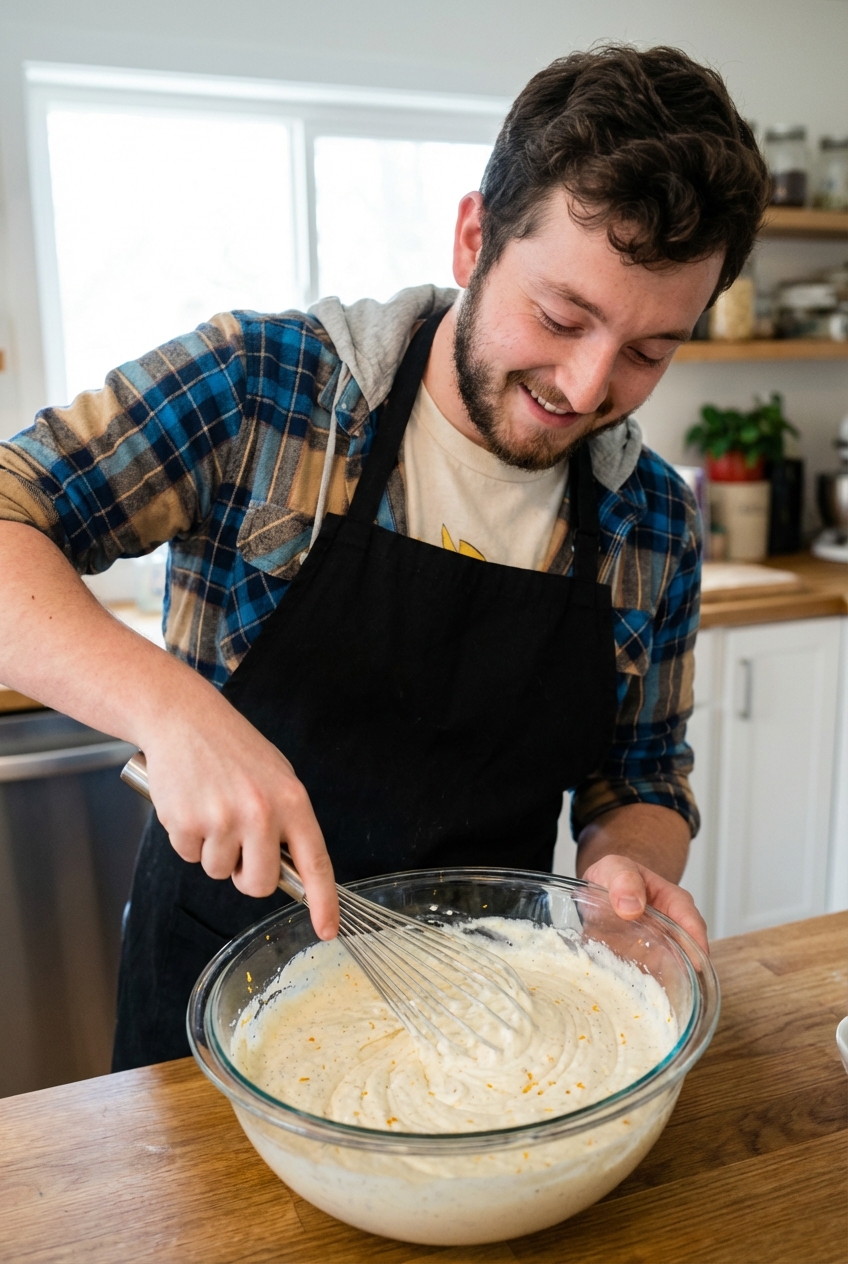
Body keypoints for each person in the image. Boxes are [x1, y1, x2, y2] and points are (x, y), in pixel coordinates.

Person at [0, 45, 769, 1070]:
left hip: (486, 1024)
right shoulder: (264, 390)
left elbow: (640, 776)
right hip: (213, 1004)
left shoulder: (651, 524)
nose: (586, 387)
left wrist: (625, 866)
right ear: (471, 238)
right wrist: (172, 712)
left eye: (645, 352)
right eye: (560, 316)